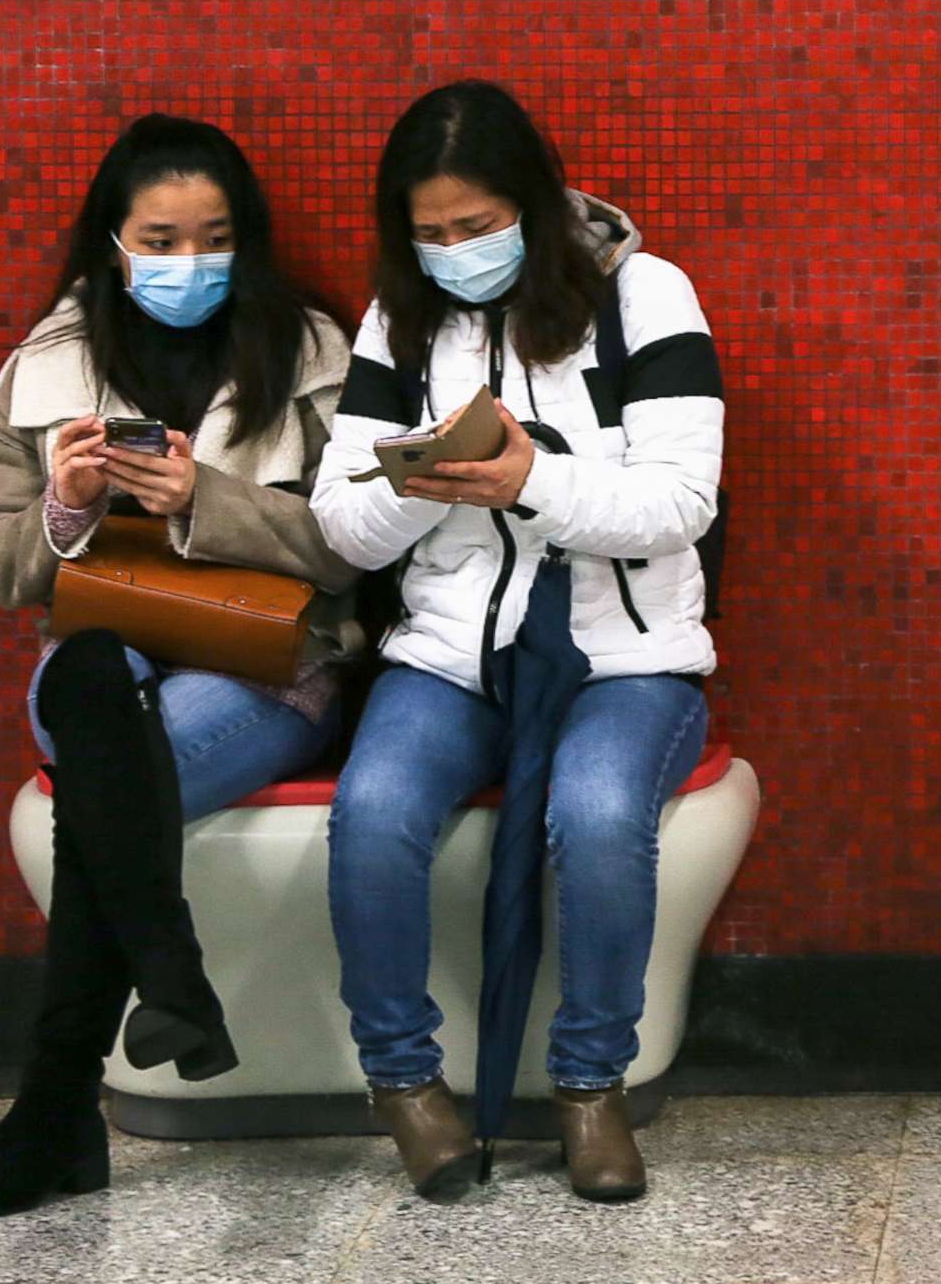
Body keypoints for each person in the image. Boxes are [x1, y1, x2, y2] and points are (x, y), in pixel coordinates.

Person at [0, 115, 362, 1220]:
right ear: (112, 243)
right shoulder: (47, 363)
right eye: (159, 239)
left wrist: (206, 502)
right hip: (103, 647)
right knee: (88, 685)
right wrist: (66, 506)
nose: (186, 262)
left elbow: (364, 545)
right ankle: (164, 985)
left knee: (104, 781)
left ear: (245, 238)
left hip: (265, 664)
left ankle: (58, 1106)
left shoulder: (313, 351)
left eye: (211, 237)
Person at [312, 81, 722, 1204]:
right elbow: (339, 521)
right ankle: (404, 1081)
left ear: (535, 205)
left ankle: (593, 1085)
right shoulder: (401, 319)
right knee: (375, 811)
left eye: (479, 225)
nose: (457, 252)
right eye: (432, 233)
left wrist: (531, 478)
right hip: (454, 648)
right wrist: (423, 483)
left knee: (594, 815)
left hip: (627, 657)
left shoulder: (644, 294)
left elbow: (682, 501)